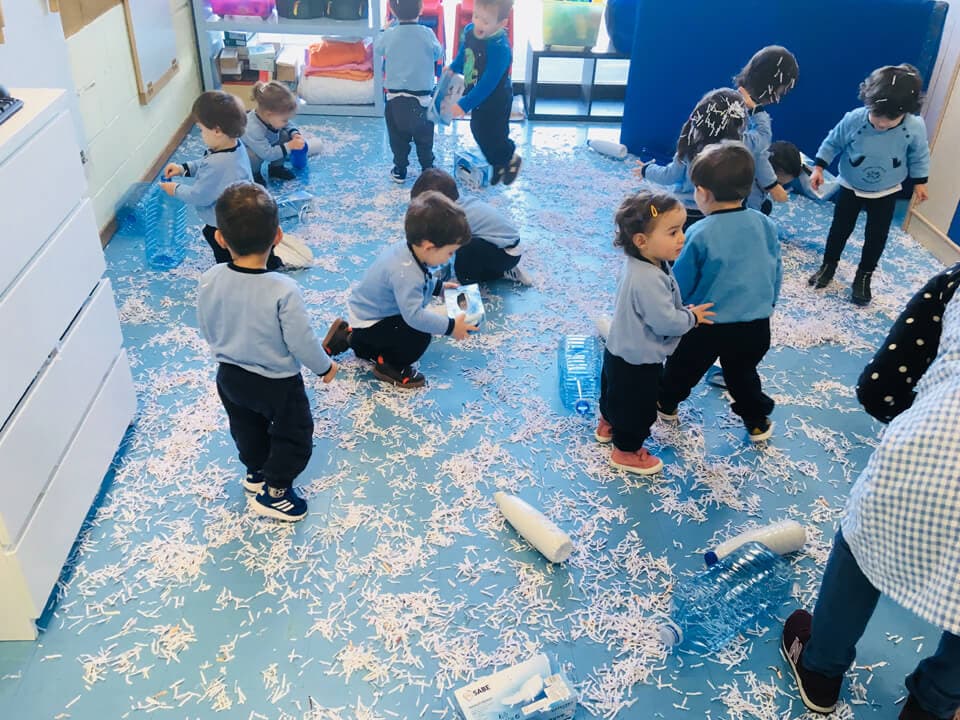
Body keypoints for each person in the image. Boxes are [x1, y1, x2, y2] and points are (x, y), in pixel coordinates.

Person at [781, 263, 960, 720]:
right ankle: (937, 704)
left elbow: (880, 388)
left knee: (862, 546)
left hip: (935, 451)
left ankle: (821, 669)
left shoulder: (955, 281)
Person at [196, 183, 339, 522]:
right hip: (277, 382)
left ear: (220, 238)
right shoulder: (283, 289)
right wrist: (324, 368)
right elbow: (301, 341)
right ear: (278, 236)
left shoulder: (211, 277)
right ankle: (275, 492)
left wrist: (224, 346)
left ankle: (256, 472)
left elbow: (205, 323)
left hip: (229, 375)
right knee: (295, 435)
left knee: (247, 427)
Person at [657, 141, 782, 441]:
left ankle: (666, 403)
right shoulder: (765, 224)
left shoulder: (699, 232)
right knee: (742, 375)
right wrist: (768, 303)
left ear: (702, 193)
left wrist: (672, 312)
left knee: (683, 366)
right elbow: (775, 270)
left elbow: (682, 280)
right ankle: (757, 422)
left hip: (708, 322)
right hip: (755, 323)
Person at [595, 191, 715, 474]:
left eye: (682, 229)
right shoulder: (648, 278)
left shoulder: (642, 262)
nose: (682, 238)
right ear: (642, 241)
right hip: (640, 358)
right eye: (673, 232)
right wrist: (691, 317)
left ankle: (608, 422)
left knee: (614, 391)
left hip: (618, 348)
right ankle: (626, 450)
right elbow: (665, 323)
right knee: (639, 408)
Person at [323, 191, 476, 388]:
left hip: (367, 314)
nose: (450, 258)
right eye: (450, 252)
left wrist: (438, 287)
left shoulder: (408, 251)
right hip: (372, 321)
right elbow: (414, 317)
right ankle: (389, 365)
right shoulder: (407, 273)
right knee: (419, 335)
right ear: (429, 247)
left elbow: (423, 276)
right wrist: (450, 327)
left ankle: (350, 338)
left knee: (399, 328)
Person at [807, 64, 931, 306]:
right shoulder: (854, 120)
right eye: (877, 115)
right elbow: (833, 141)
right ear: (868, 101)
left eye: (891, 118)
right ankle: (828, 265)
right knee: (840, 229)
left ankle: (864, 276)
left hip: (887, 190)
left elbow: (920, 155)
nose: (882, 123)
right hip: (851, 186)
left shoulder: (914, 127)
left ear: (907, 111)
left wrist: (920, 182)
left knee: (876, 236)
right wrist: (819, 167)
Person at [161, 92, 271, 267]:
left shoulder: (219, 163)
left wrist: (175, 189)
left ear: (217, 131)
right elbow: (207, 163)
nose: (201, 134)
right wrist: (184, 168)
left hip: (223, 220)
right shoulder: (234, 145)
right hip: (244, 210)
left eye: (202, 130)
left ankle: (231, 270)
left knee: (222, 247)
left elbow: (199, 196)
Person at [636, 88, 749, 229]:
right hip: (723, 215)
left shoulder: (691, 148)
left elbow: (669, 176)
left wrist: (646, 170)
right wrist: (756, 109)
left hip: (687, 213)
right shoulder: (741, 152)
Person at [410, 168, 531, 285]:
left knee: (464, 254)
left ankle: (495, 274)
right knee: (466, 246)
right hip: (508, 246)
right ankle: (500, 269)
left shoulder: (455, 218)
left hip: (506, 255)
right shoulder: (461, 202)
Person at [447, 0, 521, 186]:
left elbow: (488, 83)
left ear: (501, 23)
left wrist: (464, 104)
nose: (478, 23)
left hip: (497, 99)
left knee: (496, 134)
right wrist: (454, 67)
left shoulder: (500, 48)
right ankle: (497, 162)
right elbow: (465, 52)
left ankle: (510, 158)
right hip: (477, 94)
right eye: (476, 16)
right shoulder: (471, 31)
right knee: (478, 129)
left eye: (486, 22)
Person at [375, 0, 443, 183]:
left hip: (395, 99)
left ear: (392, 10)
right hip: (422, 99)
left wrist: (383, 29)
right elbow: (438, 54)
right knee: (425, 138)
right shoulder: (427, 34)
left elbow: (378, 48)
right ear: (421, 8)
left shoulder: (389, 35)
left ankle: (400, 169)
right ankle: (427, 167)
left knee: (397, 138)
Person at [736, 46, 800, 214]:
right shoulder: (746, 111)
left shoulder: (741, 101)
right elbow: (758, 151)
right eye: (781, 90)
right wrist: (772, 185)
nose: (779, 98)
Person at [243, 80, 306, 184]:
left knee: (285, 134)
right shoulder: (253, 128)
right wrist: (289, 146)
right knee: (252, 156)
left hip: (264, 145)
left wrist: (294, 133)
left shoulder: (272, 118)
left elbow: (287, 124)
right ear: (269, 114)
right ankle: (254, 175)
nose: (286, 121)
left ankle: (276, 168)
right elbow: (267, 154)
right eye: (284, 119)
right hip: (249, 154)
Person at [746, 140, 803, 214]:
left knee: (766, 206)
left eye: (783, 185)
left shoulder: (760, 175)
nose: (780, 188)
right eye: (777, 183)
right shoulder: (752, 195)